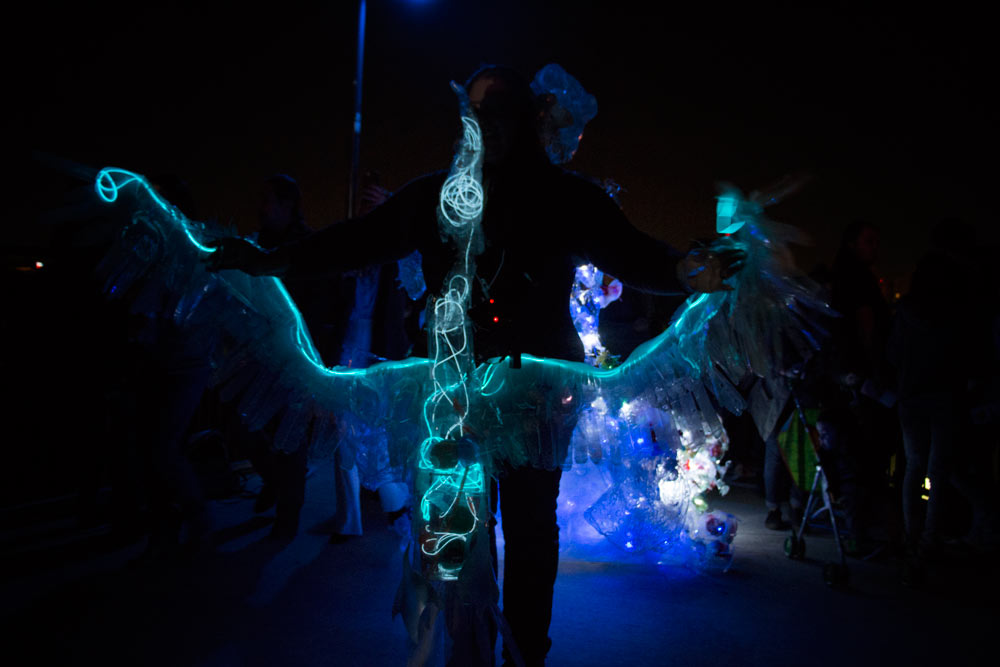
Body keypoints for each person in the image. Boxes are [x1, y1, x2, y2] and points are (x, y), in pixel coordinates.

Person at [207, 65, 743, 666]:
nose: (481, 126)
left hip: (539, 395)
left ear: (529, 117)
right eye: (473, 112)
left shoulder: (566, 197)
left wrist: (685, 270)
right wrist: (271, 260)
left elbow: (633, 252)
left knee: (531, 526)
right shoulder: (436, 196)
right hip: (452, 393)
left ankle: (524, 656)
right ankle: (468, 654)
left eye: (497, 111)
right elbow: (356, 241)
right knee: (457, 533)